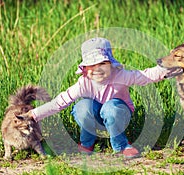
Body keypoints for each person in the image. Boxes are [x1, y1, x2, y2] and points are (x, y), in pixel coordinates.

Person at [24, 37, 172, 159]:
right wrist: (33, 114)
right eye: (91, 65)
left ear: (111, 64)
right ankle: (87, 143)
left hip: (118, 114)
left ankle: (120, 145)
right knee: (82, 107)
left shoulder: (121, 76)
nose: (97, 70)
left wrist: (168, 69)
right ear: (84, 69)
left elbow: (145, 75)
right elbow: (59, 102)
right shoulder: (83, 83)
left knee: (110, 108)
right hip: (94, 116)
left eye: (102, 63)